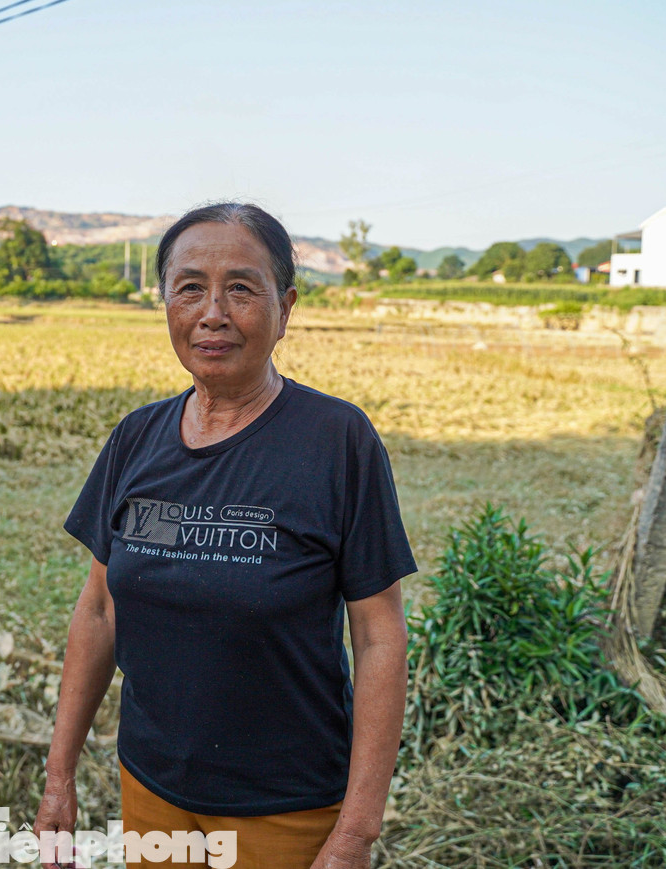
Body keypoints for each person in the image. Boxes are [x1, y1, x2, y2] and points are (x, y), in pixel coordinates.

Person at [35, 202, 416, 869]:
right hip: (151, 787)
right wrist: (58, 778)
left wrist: (356, 831)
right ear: (166, 304)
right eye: (190, 288)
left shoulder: (337, 440)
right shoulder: (137, 438)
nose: (212, 313)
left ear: (285, 308)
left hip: (287, 806)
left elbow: (379, 635)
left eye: (241, 288)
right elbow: (98, 610)